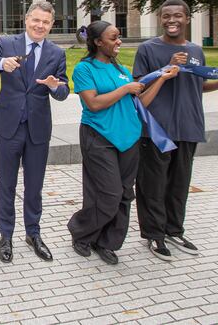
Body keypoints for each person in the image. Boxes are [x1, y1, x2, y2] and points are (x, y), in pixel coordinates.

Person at [134, 0, 218, 260]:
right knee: (153, 184)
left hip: (188, 126)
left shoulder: (196, 51)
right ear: (160, 19)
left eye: (177, 16)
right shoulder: (148, 49)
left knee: (179, 183)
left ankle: (173, 229)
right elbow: (139, 88)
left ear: (187, 18)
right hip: (156, 129)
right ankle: (154, 235)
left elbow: (196, 84)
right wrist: (166, 68)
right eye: (166, 16)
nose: (172, 20)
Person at [68, 20, 177, 265]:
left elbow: (139, 104)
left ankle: (107, 242)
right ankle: (81, 232)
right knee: (108, 193)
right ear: (98, 42)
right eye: (114, 37)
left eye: (119, 37)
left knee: (125, 194)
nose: (119, 41)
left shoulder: (122, 70)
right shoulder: (85, 69)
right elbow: (93, 104)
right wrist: (125, 88)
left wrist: (161, 79)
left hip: (129, 138)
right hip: (99, 136)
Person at [0, 1, 69, 263]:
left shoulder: (56, 53)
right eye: (36, 20)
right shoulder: (7, 43)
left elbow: (64, 91)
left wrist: (54, 87)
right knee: (7, 184)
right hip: (8, 126)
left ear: (51, 25)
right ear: (26, 20)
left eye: (46, 22)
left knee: (34, 186)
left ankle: (33, 234)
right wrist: (1, 63)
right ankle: (6, 236)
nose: (40, 26)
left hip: (38, 129)